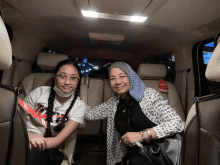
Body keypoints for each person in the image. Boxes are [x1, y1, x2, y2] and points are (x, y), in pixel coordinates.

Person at [85, 62, 185, 165]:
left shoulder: (148, 95)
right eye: (112, 78)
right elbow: (90, 114)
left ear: (131, 77)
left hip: (160, 154)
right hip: (131, 156)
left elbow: (177, 123)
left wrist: (143, 135)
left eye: (122, 76)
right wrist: (72, 100)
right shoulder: (113, 103)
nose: (117, 82)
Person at [24, 59, 86, 165]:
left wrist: (33, 143)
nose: (67, 82)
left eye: (73, 78)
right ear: (55, 77)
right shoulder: (39, 92)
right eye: (62, 76)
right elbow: (18, 117)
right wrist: (27, 136)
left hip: (48, 146)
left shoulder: (79, 106)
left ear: (78, 80)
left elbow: (57, 141)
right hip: (24, 135)